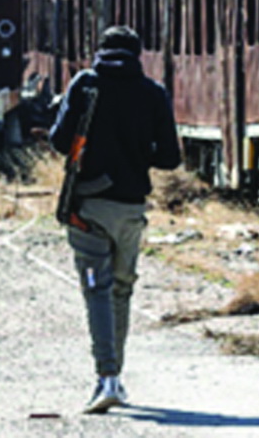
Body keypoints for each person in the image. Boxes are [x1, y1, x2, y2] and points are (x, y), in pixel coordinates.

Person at [48, 25, 181, 414]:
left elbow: (59, 141)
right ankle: (115, 377)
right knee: (121, 290)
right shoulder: (153, 92)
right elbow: (170, 158)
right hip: (131, 212)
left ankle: (107, 378)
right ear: (138, 54)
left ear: (100, 50)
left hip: (88, 210)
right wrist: (137, 152)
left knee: (97, 291)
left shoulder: (85, 84)